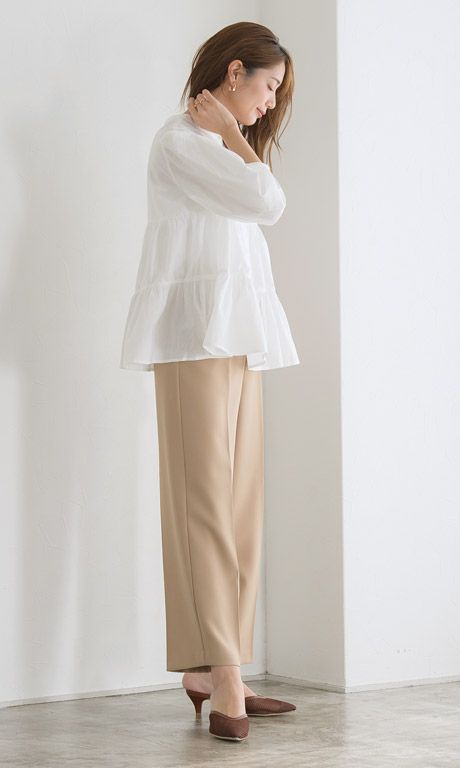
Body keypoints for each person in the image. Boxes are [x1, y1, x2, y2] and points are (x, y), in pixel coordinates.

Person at [119, 21, 300, 742]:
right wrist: (229, 133)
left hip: (237, 336)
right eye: (268, 86)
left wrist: (234, 138)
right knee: (204, 506)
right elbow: (268, 203)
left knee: (239, 505)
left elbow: (258, 206)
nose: (269, 102)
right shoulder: (182, 142)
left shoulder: (222, 149)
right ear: (233, 73)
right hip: (192, 336)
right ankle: (221, 670)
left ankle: (216, 667)